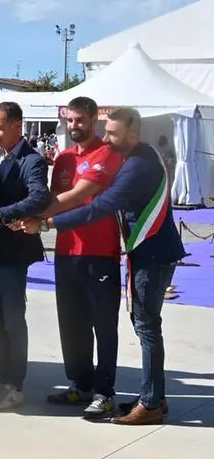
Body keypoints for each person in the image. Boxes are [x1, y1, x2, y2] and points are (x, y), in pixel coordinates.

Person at [24, 107, 184, 425]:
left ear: (132, 135)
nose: (106, 138)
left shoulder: (137, 165)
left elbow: (100, 207)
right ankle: (155, 396)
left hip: (152, 254)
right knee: (146, 326)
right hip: (150, 252)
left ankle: (150, 404)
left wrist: (46, 224)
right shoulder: (137, 156)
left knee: (146, 328)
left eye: (112, 133)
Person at [28, 96, 125, 420]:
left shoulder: (108, 153)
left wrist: (33, 218)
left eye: (80, 120)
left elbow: (77, 197)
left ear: (95, 118)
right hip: (66, 252)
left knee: (103, 325)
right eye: (69, 121)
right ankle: (81, 383)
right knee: (72, 324)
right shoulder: (65, 159)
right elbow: (54, 198)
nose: (74, 126)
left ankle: (105, 391)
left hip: (100, 254)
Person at [0, 102, 51, 409]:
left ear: (17, 126)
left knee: (12, 319)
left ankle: (15, 383)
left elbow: (39, 197)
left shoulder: (30, 160)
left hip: (12, 252)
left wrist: (1, 214)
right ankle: (0, 374)